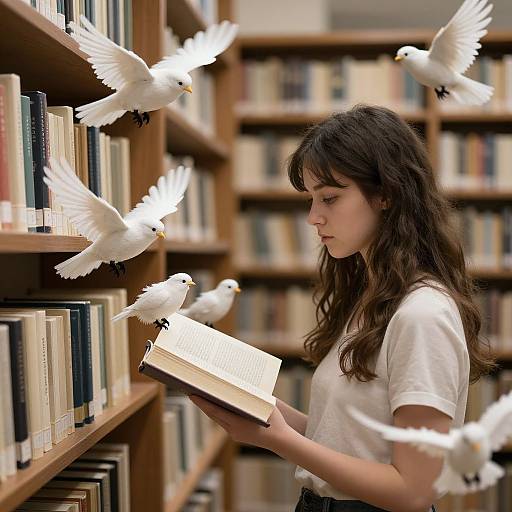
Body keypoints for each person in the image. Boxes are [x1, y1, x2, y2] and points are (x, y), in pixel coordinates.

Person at [190, 104, 495, 512]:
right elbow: (346, 439)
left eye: (330, 197)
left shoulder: (422, 314)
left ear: (387, 193)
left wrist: (276, 439)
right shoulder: (373, 297)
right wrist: (255, 405)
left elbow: (416, 490)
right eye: (311, 199)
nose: (314, 217)